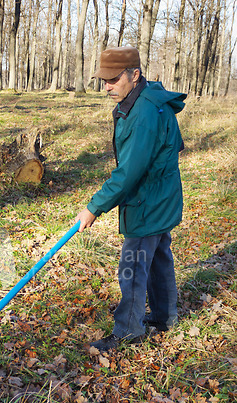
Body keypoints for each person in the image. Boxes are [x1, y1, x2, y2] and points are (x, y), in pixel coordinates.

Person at [75, 46, 187, 352]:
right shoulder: (149, 97)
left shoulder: (144, 114)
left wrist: (93, 208)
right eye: (104, 81)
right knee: (159, 258)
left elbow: (128, 173)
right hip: (160, 198)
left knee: (133, 266)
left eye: (113, 79)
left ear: (134, 75)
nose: (108, 87)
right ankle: (164, 317)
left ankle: (128, 330)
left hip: (148, 203)